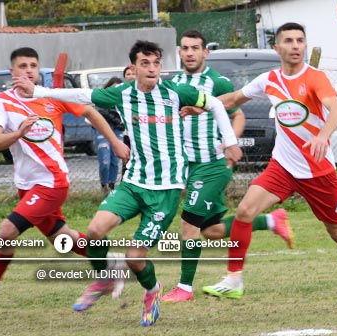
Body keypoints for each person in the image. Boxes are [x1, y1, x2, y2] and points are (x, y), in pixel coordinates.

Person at [13, 40, 241, 327]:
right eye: (145, 63)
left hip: (166, 190)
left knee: (135, 257)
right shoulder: (122, 94)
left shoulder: (176, 92)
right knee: (95, 230)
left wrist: (230, 143)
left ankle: (152, 290)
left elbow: (217, 105)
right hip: (133, 183)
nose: (151, 68)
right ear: (134, 68)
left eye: (156, 63)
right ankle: (105, 278)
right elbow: (83, 94)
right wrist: (39, 91)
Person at [201, 22, 337, 313]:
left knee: (336, 230)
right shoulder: (269, 79)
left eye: (300, 40)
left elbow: (335, 109)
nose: (295, 45)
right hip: (283, 166)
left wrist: (323, 136)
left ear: (305, 46)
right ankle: (234, 278)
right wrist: (202, 104)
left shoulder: (316, 78)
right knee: (246, 211)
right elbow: (233, 99)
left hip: (318, 171)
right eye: (289, 40)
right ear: (277, 48)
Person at [0, 47, 130, 307]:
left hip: (52, 182)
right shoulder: (2, 101)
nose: (29, 70)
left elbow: (91, 112)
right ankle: (111, 262)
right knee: (63, 238)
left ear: (38, 71)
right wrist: (17, 133)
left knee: (6, 232)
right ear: (12, 71)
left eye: (33, 66)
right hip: (26, 185)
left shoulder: (51, 96)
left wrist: (115, 144)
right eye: (23, 66)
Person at [162, 30, 293, 303]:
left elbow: (238, 114)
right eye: (185, 48)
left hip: (212, 164)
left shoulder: (217, 83)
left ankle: (184, 288)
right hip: (187, 166)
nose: (189, 53)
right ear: (179, 52)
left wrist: (230, 142)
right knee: (211, 231)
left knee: (189, 224)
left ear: (204, 52)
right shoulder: (172, 83)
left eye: (195, 48)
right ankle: (272, 220)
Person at [92, 77, 125, 194]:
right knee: (105, 160)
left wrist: (121, 123)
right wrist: (112, 117)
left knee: (115, 160)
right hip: (103, 130)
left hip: (117, 130)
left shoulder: (123, 102)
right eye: (112, 88)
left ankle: (111, 185)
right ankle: (104, 184)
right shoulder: (101, 100)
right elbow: (96, 114)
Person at [120, 66, 136, 179]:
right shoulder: (121, 92)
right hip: (126, 134)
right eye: (128, 74)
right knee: (126, 162)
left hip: (140, 134)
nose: (131, 76)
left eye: (133, 74)